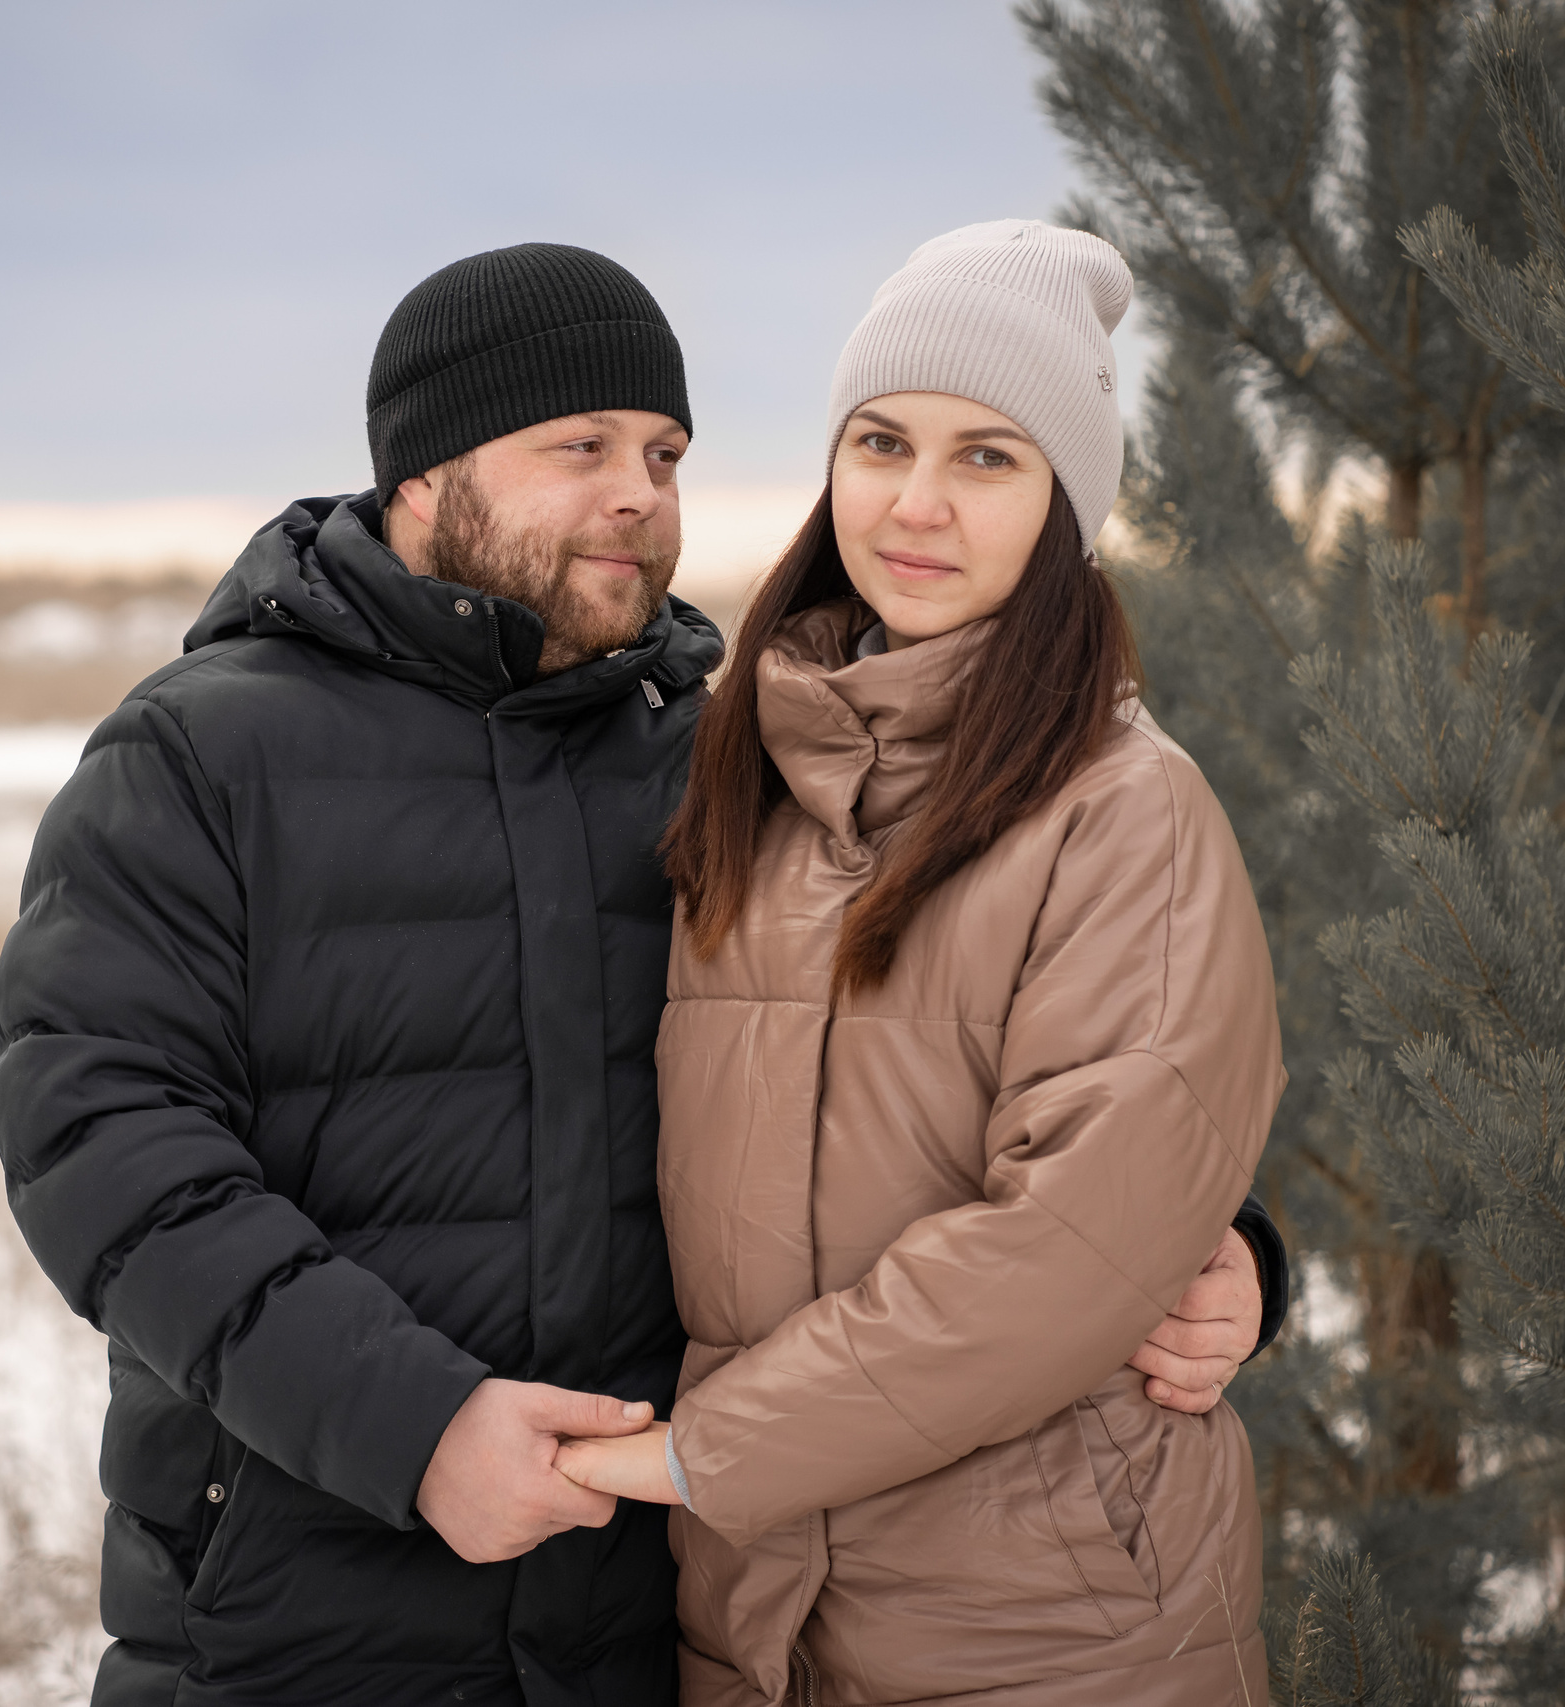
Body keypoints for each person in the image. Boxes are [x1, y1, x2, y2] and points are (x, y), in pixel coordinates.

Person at [0, 239, 1287, 1706]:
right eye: (581, 447)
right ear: (424, 471)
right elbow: (101, 1145)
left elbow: (916, 1056)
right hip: (304, 1601)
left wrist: (1210, 1243)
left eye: (666, 453)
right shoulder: (206, 757)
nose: (641, 494)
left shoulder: (711, 748)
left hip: (638, 1607)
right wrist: (409, 1425)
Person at [558, 221, 1286, 1705]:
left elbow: (1066, 1237)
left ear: (1066, 504)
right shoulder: (740, 772)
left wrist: (706, 1453)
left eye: (990, 459)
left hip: (1045, 1624)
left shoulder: (1124, 810)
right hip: (754, 1606)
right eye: (883, 442)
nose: (919, 505)